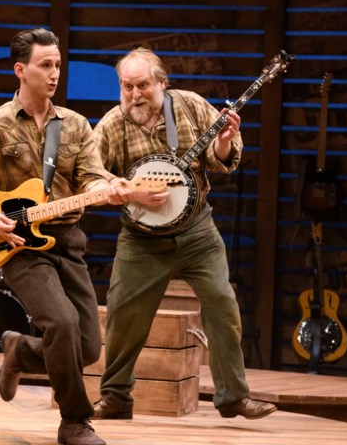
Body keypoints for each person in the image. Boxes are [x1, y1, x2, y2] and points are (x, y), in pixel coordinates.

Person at [0, 28, 127, 445]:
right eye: (46, 65)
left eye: (58, 65)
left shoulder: (76, 125)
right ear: (20, 70)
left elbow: (92, 177)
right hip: (19, 246)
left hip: (69, 240)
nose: (55, 73)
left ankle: (22, 351)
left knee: (88, 348)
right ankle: (75, 420)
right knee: (60, 323)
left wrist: (112, 186)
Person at [92, 47, 276, 421]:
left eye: (142, 85)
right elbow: (91, 174)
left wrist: (224, 140)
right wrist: (125, 189)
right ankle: (115, 397)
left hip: (196, 231)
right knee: (125, 314)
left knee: (222, 305)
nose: (134, 94)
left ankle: (232, 397)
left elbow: (222, 156)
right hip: (141, 238)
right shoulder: (112, 124)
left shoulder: (190, 106)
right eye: (126, 87)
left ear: (162, 83)